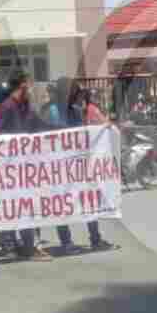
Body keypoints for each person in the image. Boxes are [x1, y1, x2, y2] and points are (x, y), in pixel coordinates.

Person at [0, 72, 54, 259]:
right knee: (15, 207)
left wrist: (75, 131)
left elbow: (42, 126)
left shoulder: (27, 108)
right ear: (22, 86)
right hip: (10, 169)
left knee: (27, 205)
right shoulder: (6, 108)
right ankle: (17, 245)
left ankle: (27, 245)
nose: (31, 89)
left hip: (27, 169)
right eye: (29, 85)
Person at [53, 83, 109, 251]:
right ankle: (66, 242)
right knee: (61, 204)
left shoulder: (75, 111)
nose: (77, 97)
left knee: (88, 199)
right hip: (60, 165)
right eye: (75, 94)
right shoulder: (54, 112)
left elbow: (82, 134)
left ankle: (95, 238)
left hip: (78, 163)